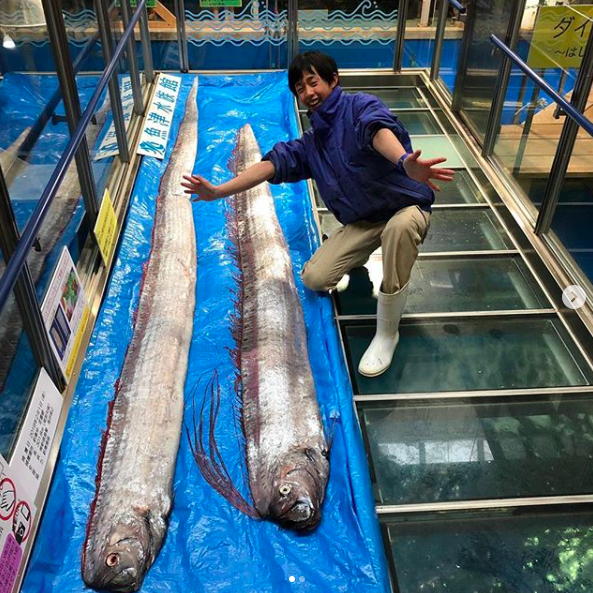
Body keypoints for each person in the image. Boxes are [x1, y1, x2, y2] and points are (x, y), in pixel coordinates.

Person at [181, 51, 454, 378]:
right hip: (365, 220)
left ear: (332, 80)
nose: (308, 93)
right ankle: (357, 253)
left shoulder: (360, 108)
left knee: (399, 229)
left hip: (404, 208)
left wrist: (403, 161)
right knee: (314, 278)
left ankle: (387, 333)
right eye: (300, 88)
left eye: (313, 82)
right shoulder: (313, 143)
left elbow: (378, 131)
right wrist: (218, 191)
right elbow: (271, 165)